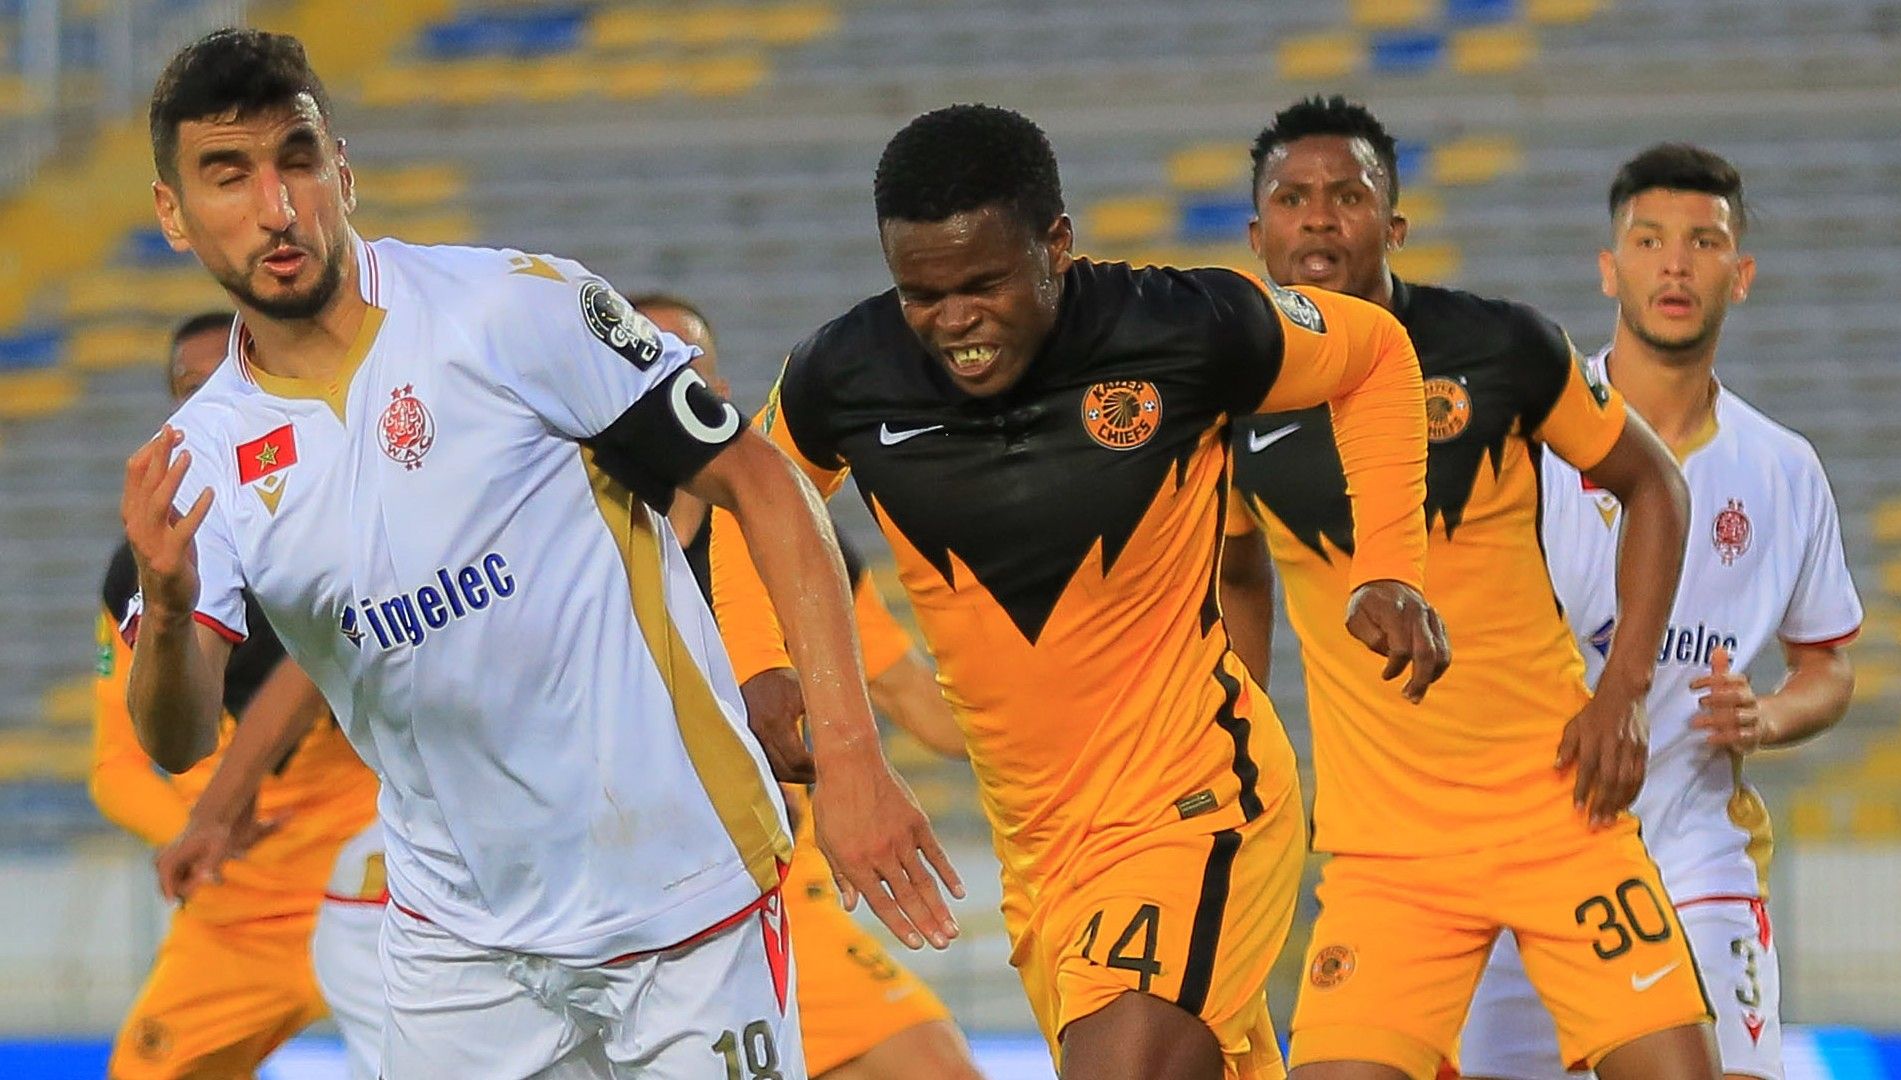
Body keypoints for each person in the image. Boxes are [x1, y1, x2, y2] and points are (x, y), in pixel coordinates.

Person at [122, 29, 957, 1077]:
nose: (276, 208)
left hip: (682, 896)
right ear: (173, 213)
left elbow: (763, 485)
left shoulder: (511, 310)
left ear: (343, 169)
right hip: (458, 941)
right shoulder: (198, 460)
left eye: (296, 160)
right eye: (227, 176)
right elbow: (179, 730)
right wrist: (163, 604)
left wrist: (853, 760)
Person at [709, 103, 1447, 1080]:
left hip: (1197, 806)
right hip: (1041, 859)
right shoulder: (846, 373)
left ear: (1056, 245)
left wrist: (1388, 564)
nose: (955, 321)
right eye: (922, 294)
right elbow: (750, 501)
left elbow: (1377, 355)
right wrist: (762, 665)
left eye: (983, 283)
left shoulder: (1186, 324)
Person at [1214, 96, 1714, 1079]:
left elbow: (1655, 485)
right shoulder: (1228, 394)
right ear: (1258, 232)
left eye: (1348, 195)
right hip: (1383, 855)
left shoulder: (1503, 347)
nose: (1319, 217)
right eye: (1292, 197)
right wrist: (1237, 735)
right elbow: (1236, 568)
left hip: (1560, 813)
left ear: (1392, 226)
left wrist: (1625, 695)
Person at [1456, 145, 1862, 1080]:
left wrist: (1769, 715)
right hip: (1528, 853)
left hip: (1697, 858)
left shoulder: (1784, 467)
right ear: (1611, 268)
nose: (1675, 263)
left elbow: (1828, 663)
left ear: (1741, 274)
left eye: (1703, 242)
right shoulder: (1531, 447)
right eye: (1649, 240)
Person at [632, 293, 987, 1080]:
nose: (657, 384)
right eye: (634, 360)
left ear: (717, 400)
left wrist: (1059, 715)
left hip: (783, 889)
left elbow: (919, 707)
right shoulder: (561, 548)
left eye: (681, 366)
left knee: (935, 1068)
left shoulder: (788, 545)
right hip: (629, 900)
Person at [91, 311, 380, 1079]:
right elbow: (115, 765)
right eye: (191, 392)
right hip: (237, 911)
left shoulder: (342, 512)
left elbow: (321, 666)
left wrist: (216, 811)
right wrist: (198, 831)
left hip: (373, 872)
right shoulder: (137, 580)